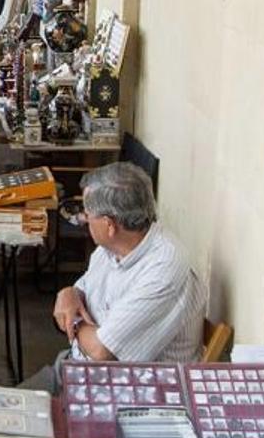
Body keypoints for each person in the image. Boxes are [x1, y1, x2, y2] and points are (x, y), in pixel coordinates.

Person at [24, 163, 206, 394]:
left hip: (127, 392)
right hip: (78, 368)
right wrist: (68, 293)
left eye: (87, 215)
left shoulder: (163, 268)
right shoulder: (114, 247)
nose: (83, 219)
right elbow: (81, 292)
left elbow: (101, 350)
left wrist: (75, 321)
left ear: (109, 225)